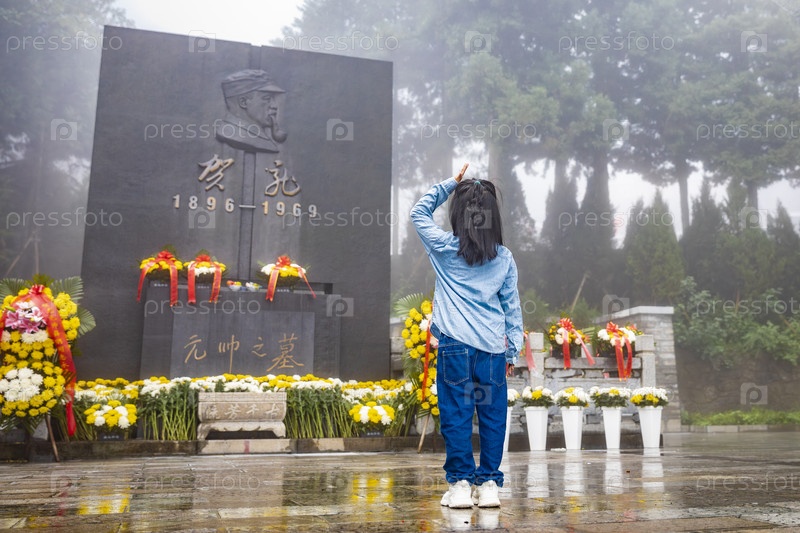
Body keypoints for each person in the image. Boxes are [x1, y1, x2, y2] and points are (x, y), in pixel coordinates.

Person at [410, 166, 523, 509]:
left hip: (455, 348)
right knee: (492, 416)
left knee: (456, 415)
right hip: (492, 350)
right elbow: (511, 307)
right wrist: (512, 352)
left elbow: (418, 212)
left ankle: (460, 485)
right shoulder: (503, 258)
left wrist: (451, 183)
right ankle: (488, 485)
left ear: (458, 214)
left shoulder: (444, 248)